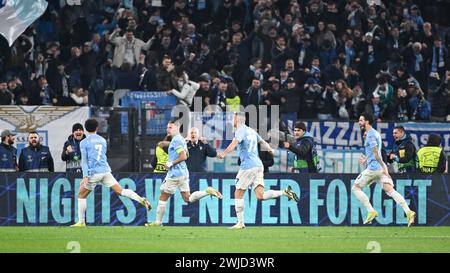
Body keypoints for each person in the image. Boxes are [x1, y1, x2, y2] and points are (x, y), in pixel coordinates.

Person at [218, 112, 299, 229]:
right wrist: (271, 150)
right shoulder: (252, 131)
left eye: (233, 119)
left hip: (248, 166)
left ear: (238, 119)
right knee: (260, 196)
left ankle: (240, 223)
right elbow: (263, 142)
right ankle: (284, 192)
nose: (232, 121)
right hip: (258, 165)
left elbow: (234, 143)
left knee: (238, 193)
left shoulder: (241, 130)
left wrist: (224, 153)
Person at [71, 119, 151, 227]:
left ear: (85, 129)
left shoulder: (84, 142)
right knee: (120, 191)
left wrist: (85, 176)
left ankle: (81, 222)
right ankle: (141, 199)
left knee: (81, 195)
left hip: (93, 173)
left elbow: (84, 161)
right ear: (97, 128)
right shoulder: (103, 140)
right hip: (105, 171)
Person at [146, 119, 222, 227]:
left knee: (163, 196)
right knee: (188, 198)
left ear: (177, 128)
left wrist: (170, 163)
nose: (168, 129)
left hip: (175, 174)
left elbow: (183, 156)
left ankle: (158, 222)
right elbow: (187, 154)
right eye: (167, 127)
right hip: (183, 172)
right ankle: (207, 191)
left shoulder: (177, 140)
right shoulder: (182, 139)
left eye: (170, 127)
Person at [352, 113, 416, 227]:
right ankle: (409, 212)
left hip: (374, 168)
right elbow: (376, 152)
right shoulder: (375, 133)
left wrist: (384, 166)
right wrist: (367, 160)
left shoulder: (370, 135)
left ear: (367, 122)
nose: (359, 122)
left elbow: (376, 153)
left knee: (355, 188)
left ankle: (371, 211)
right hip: (379, 169)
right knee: (390, 190)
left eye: (361, 120)